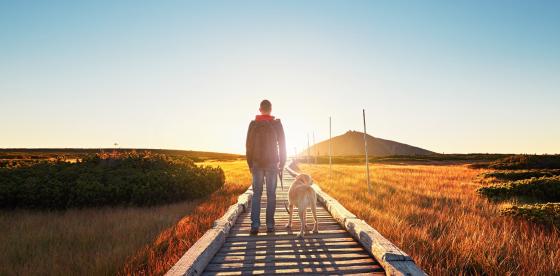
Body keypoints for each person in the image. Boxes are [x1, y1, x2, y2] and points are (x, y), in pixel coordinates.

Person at [246, 99, 287, 235]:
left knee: (256, 194)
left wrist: (250, 163)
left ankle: (255, 226)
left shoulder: (253, 124)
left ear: (260, 109)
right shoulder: (276, 124)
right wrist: (282, 162)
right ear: (270, 109)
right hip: (272, 164)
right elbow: (282, 144)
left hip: (257, 163)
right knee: (271, 195)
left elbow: (248, 145)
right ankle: (270, 225)